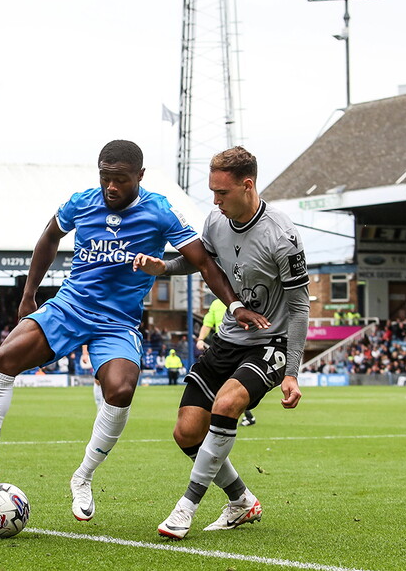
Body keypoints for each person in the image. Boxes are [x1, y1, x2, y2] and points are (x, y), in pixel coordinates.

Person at [0, 140, 267, 521]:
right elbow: (48, 237)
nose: (111, 186)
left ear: (139, 177)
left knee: (121, 389)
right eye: (105, 177)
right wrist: (29, 296)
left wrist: (235, 304)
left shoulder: (160, 211)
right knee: (4, 359)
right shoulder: (82, 201)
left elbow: (204, 263)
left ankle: (83, 476)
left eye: (120, 180)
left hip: (117, 322)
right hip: (70, 307)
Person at [133, 146, 308, 539]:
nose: (215, 200)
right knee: (187, 432)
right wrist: (163, 266)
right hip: (228, 339)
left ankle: (186, 507)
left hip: (270, 343)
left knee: (227, 404)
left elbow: (299, 309)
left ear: (247, 186)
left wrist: (292, 372)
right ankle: (241, 500)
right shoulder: (215, 221)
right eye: (212, 191)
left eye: (222, 192)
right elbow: (200, 263)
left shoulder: (284, 236)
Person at [197, 299, 256, 427]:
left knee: (234, 384)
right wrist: (201, 339)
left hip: (242, 345)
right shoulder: (216, 303)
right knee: (224, 384)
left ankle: (243, 415)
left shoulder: (243, 299)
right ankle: (245, 416)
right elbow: (207, 323)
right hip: (222, 347)